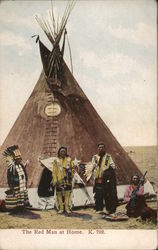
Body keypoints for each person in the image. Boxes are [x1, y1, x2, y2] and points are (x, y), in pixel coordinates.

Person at [92, 142, 118, 215]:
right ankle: (99, 208)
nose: (101, 148)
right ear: (97, 148)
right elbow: (92, 167)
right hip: (98, 178)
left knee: (107, 194)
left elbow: (113, 166)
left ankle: (109, 209)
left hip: (106, 179)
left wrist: (109, 169)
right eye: (99, 147)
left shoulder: (108, 157)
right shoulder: (94, 157)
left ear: (105, 148)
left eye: (102, 147)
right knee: (98, 194)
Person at [3, 145, 30, 213]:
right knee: (16, 198)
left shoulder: (20, 165)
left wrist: (25, 180)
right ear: (15, 159)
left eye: (20, 158)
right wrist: (11, 185)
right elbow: (9, 176)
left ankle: (22, 208)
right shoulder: (12, 167)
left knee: (22, 197)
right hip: (16, 185)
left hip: (22, 185)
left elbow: (23, 171)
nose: (20, 160)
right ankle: (15, 209)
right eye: (18, 159)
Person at [52, 146, 74, 214]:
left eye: (64, 151)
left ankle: (67, 208)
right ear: (59, 152)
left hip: (67, 179)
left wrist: (71, 172)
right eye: (61, 151)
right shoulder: (56, 160)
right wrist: (55, 180)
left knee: (67, 193)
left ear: (66, 152)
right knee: (59, 194)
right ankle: (61, 208)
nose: (63, 153)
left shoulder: (69, 160)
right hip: (59, 179)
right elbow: (54, 171)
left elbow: (72, 168)